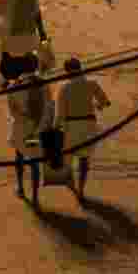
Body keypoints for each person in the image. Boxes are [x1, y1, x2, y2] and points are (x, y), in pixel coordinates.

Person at [55, 56, 111, 201]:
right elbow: (105, 102)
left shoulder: (64, 88)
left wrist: (55, 129)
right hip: (88, 125)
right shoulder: (92, 84)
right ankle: (81, 189)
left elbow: (60, 114)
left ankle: (72, 184)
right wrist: (95, 107)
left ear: (67, 72)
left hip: (71, 126)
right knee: (84, 159)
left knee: (68, 158)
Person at [9, 76, 57, 202]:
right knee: (34, 161)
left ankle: (21, 188)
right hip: (35, 130)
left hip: (22, 130)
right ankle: (35, 196)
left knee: (20, 156)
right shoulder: (44, 85)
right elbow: (50, 107)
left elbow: (13, 112)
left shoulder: (14, 88)